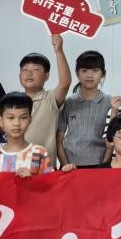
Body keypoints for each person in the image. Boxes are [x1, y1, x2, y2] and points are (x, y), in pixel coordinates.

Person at [17, 33, 71, 162]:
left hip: (44, 166)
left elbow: (65, 83)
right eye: (25, 70)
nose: (29, 73)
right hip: (18, 164)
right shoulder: (14, 102)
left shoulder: (50, 99)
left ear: (46, 76)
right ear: (19, 77)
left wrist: (59, 52)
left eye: (35, 69)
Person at [0, 92, 52, 178]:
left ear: (30, 121)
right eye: (11, 118)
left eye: (23, 118)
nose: (17, 123)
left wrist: (32, 179)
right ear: (1, 121)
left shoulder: (39, 153)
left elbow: (51, 182)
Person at [57, 50, 111, 171]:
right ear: (77, 73)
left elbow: (112, 139)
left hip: (100, 165)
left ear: (103, 74)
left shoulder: (110, 102)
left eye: (95, 70)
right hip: (71, 166)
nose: (89, 75)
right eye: (84, 70)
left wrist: (104, 165)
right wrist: (65, 165)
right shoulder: (68, 102)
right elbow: (58, 140)